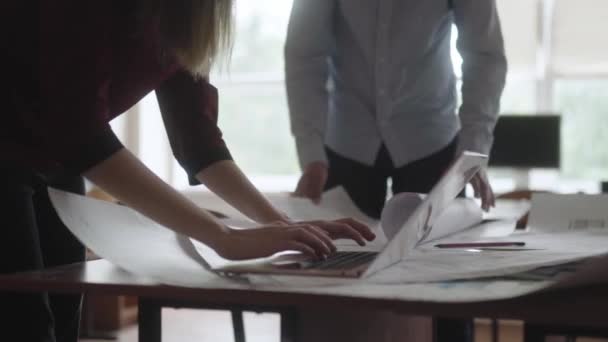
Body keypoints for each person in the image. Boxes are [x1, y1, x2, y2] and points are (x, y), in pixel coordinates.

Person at [0, 1, 375, 341]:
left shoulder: (194, 12)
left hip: (51, 155)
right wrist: (224, 237)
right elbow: (81, 133)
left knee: (63, 318)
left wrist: (278, 224)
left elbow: (197, 141)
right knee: (25, 323)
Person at [285, 0, 507, 341]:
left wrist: (473, 149)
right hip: (345, 141)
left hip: (433, 140)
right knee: (329, 283)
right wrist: (311, 152)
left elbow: (484, 53)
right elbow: (304, 54)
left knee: (444, 289)